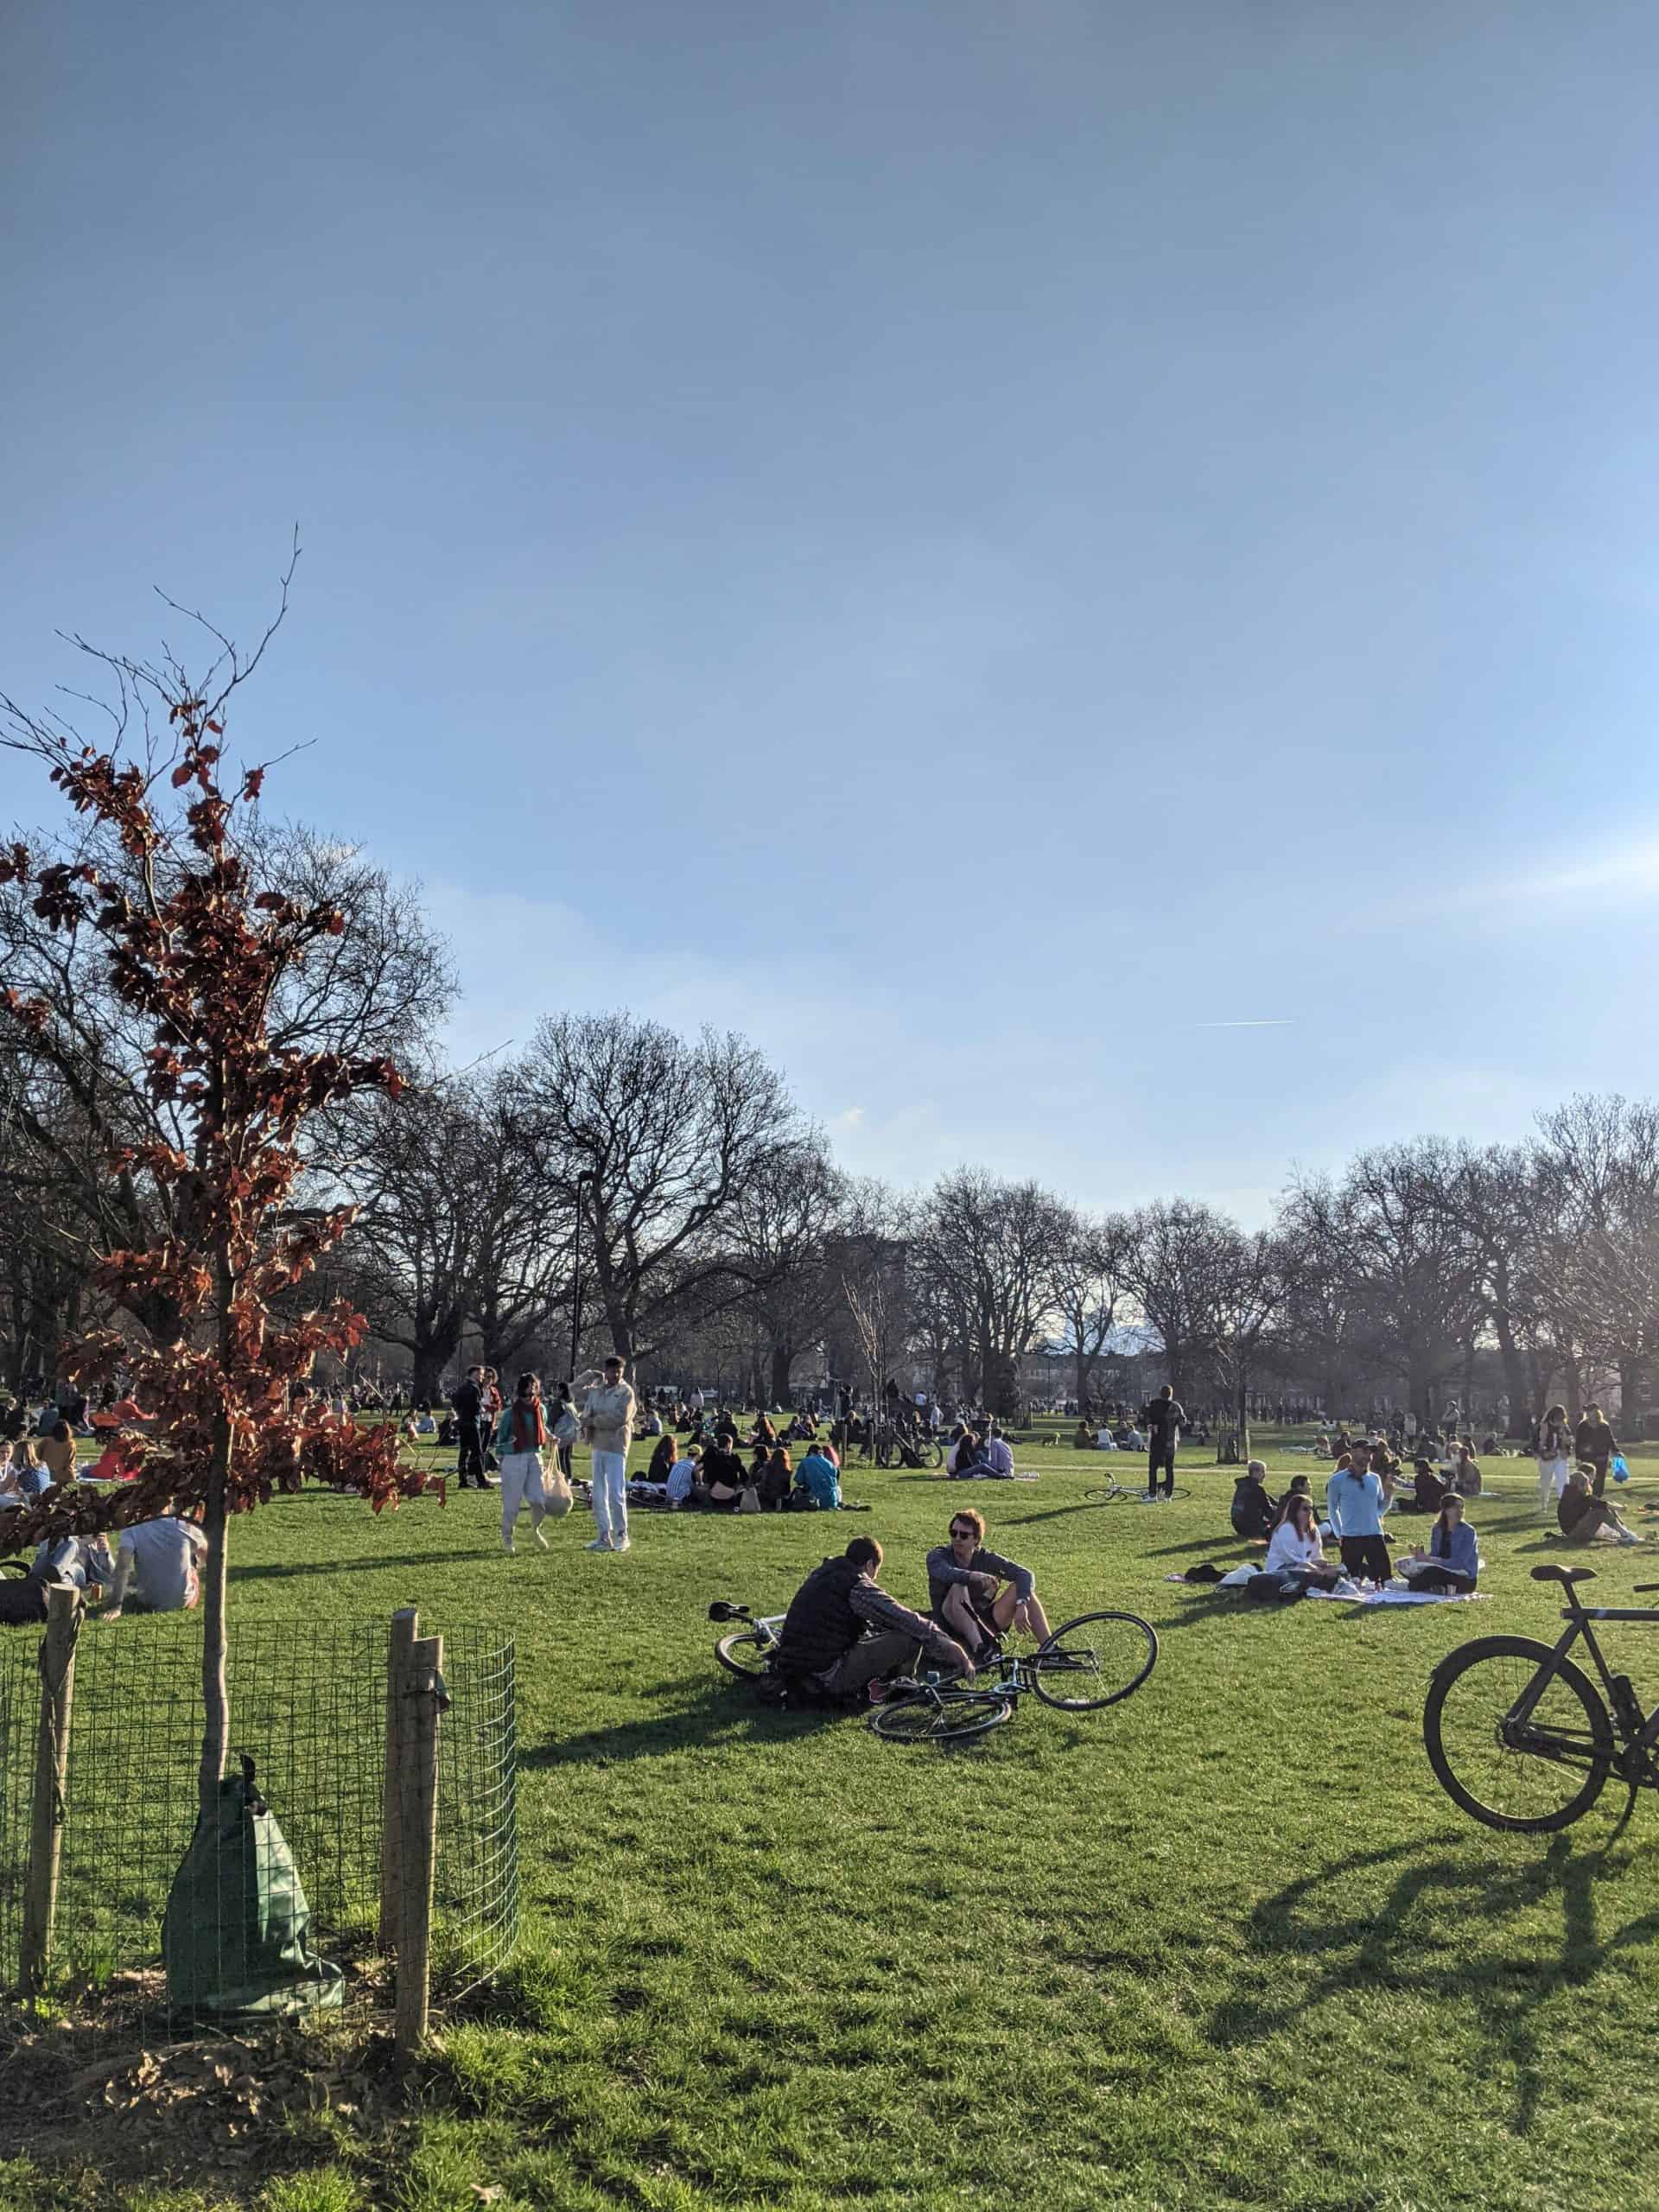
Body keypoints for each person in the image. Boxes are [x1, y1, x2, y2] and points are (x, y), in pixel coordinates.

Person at [777, 1536, 972, 1700]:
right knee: (909, 1638)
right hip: (824, 1675)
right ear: (870, 1564)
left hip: (792, 1666)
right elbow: (904, 1618)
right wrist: (949, 1644)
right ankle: (900, 1690)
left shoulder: (824, 1573)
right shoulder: (857, 1585)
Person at [925, 1510, 1052, 1660]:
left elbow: (1025, 1574)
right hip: (950, 1622)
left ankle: (1050, 1651)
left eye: (964, 1535)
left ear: (977, 1540)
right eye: (953, 1533)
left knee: (1022, 1589)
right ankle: (981, 1650)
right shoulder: (938, 1556)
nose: (957, 1538)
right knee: (959, 1586)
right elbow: (946, 1573)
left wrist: (1021, 1604)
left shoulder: (986, 1559)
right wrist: (973, 1576)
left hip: (984, 1622)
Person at [581, 1355, 638, 1552]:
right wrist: (587, 1377)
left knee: (616, 1493)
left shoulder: (626, 1392)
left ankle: (622, 1535)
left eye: (618, 1372)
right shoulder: (596, 1390)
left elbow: (619, 1418)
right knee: (598, 1494)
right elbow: (582, 1405)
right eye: (611, 1371)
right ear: (605, 1371)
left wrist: (593, 1421)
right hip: (597, 1446)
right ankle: (604, 1536)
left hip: (616, 1447)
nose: (614, 1375)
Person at [493, 1372, 552, 1554]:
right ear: (522, 1388)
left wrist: (551, 1436)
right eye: (529, 1385)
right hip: (514, 1458)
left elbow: (543, 1427)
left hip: (534, 1456)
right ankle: (508, 1539)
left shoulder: (541, 1409)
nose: (532, 1389)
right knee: (512, 1504)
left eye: (535, 1385)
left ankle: (535, 1530)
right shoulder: (511, 1413)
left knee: (539, 1501)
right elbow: (501, 1437)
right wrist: (502, 1457)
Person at [101, 1516, 208, 1617]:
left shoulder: (132, 1527)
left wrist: (116, 1606)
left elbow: (123, 1567)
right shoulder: (185, 1524)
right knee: (193, 1568)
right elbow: (209, 1555)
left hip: (147, 1601)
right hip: (183, 1602)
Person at [1326, 1443, 1393, 1586]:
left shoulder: (1375, 1479)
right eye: (1364, 1451)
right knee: (1351, 1581)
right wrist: (1340, 1534)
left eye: (1370, 1453)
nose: (1368, 1456)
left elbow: (1379, 1510)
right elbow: (1332, 1509)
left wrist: (1388, 1496)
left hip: (1375, 1534)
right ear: (1353, 1452)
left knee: (1385, 1580)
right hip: (1351, 1537)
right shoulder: (1337, 1480)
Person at [1262, 1494, 1342, 1593]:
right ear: (1295, 1511)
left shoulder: (1313, 1530)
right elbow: (1291, 1559)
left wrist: (1324, 1564)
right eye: (1305, 1509)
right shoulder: (1286, 1529)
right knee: (1309, 1573)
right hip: (1282, 1568)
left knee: (1338, 1569)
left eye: (1311, 1509)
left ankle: (1325, 1579)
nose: (1309, 1512)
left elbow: (1316, 1555)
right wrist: (1315, 1567)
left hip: (1305, 1565)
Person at [1403, 1494, 1479, 1592]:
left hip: (1463, 1578)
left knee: (1432, 1573)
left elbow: (1459, 1563)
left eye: (1462, 1507)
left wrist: (1430, 1560)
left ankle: (1417, 1585)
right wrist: (1421, 1556)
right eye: (1456, 1507)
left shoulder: (1468, 1531)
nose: (1460, 1511)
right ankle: (1437, 1586)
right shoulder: (1437, 1529)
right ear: (1446, 1510)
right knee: (1404, 1564)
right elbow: (1434, 1555)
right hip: (1441, 1570)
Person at [1558, 1465, 1644, 1547]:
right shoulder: (1578, 1495)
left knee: (1602, 1509)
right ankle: (1625, 1534)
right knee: (1600, 1511)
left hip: (1572, 1532)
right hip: (1575, 1534)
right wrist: (1621, 1508)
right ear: (1581, 1484)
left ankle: (1624, 1533)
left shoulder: (1569, 1494)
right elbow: (1602, 1504)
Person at [1143, 1385, 1186, 1498]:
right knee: (1169, 1468)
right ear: (1171, 1394)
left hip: (1156, 1441)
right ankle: (1168, 1495)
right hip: (1170, 1443)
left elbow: (1147, 1420)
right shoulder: (1176, 1407)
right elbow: (1183, 1423)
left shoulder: (1153, 1404)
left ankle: (1152, 1494)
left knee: (1153, 1469)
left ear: (1160, 1393)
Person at [450, 1365, 488, 1491]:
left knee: (464, 1451)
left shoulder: (461, 1388)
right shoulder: (474, 1388)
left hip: (462, 1423)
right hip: (472, 1423)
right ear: (474, 1374)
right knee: (478, 1452)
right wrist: (481, 1409)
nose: (482, 1377)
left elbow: (455, 1403)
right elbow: (477, 1407)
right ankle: (481, 1480)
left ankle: (463, 1480)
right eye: (480, 1374)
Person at [1575, 1404, 1619, 1498]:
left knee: (1600, 1481)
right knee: (1587, 1480)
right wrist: (1578, 1457)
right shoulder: (1582, 1425)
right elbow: (1578, 1442)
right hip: (1587, 1458)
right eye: (1587, 1411)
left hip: (1602, 1458)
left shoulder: (1604, 1426)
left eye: (1589, 1411)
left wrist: (1616, 1451)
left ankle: (1597, 1501)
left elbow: (1610, 1440)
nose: (1587, 1413)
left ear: (1596, 1412)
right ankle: (1587, 1501)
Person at [1536, 1403, 1572, 1517]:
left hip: (1560, 1457)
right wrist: (1543, 1452)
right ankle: (1544, 1505)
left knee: (1562, 1480)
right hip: (1546, 1458)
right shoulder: (1544, 1426)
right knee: (1545, 1482)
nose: (1560, 1420)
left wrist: (1567, 1448)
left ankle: (1564, 1505)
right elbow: (1536, 1442)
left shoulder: (1565, 1427)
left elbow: (1568, 1443)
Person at [1230, 1460, 1278, 1542]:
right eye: (1262, 1472)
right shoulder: (1257, 1489)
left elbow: (1268, 1499)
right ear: (1255, 1472)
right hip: (1251, 1528)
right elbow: (1269, 1512)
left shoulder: (1243, 1485)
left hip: (1238, 1526)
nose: (1264, 1475)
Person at [793, 1443, 841, 1511]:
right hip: (832, 1501)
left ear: (810, 1452)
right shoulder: (831, 1464)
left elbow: (799, 1481)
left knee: (798, 1490)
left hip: (813, 1499)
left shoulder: (805, 1461)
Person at [37, 1422, 76, 1487]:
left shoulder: (46, 1441)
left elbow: (37, 1456)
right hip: (64, 1476)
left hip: (46, 1473)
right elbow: (70, 1461)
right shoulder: (71, 1443)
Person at [666, 1443, 702, 1508]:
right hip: (680, 1498)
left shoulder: (678, 1462)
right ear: (698, 1455)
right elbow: (699, 1484)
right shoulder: (693, 1467)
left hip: (668, 1496)